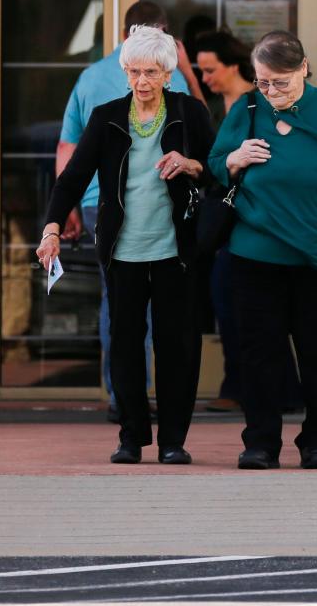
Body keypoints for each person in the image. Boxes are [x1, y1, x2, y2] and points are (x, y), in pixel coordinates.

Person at [38, 25, 215, 464]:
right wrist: (52, 229)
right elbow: (71, 180)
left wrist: (191, 164)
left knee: (177, 347)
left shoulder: (190, 113)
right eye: (134, 71)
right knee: (125, 346)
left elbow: (218, 174)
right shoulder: (107, 118)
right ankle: (131, 437)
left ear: (168, 74)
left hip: (176, 251)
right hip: (123, 251)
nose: (141, 81)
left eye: (151, 72)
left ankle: (174, 440)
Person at [208, 30, 317, 470]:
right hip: (256, 252)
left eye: (280, 82)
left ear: (303, 69)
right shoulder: (247, 107)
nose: (271, 92)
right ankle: (260, 442)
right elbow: (214, 163)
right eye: (263, 82)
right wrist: (233, 158)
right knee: (259, 354)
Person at [57, 0, 195, 422]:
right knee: (151, 304)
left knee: (116, 302)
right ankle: (140, 395)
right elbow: (200, 128)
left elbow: (68, 147)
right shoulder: (170, 78)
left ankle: (123, 396)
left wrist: (68, 209)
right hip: (153, 203)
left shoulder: (90, 76)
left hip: (102, 203)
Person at [194, 30, 302, 414]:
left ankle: (267, 389)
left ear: (233, 66)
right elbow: (214, 160)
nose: (205, 77)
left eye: (210, 70)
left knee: (254, 310)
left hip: (255, 218)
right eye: (200, 71)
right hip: (222, 217)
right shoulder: (211, 106)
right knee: (230, 306)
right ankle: (246, 386)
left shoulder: (255, 104)